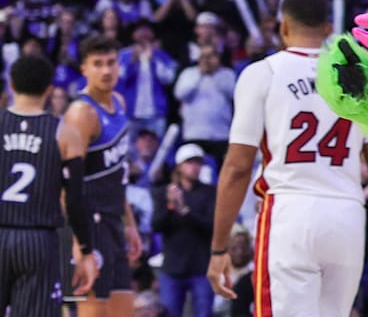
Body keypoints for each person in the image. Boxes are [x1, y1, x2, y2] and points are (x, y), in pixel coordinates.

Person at [207, 0, 368, 316]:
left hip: (290, 212)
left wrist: (218, 248)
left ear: (283, 27)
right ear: (328, 28)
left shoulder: (263, 74)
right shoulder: (360, 78)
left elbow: (237, 168)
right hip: (346, 216)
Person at [0, 55, 99, 316]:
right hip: (38, 241)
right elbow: (76, 199)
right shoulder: (65, 133)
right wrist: (86, 250)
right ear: (48, 89)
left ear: (11, 85)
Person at [64, 35, 144, 317]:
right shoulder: (81, 113)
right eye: (97, 64)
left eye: (111, 63)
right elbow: (65, 185)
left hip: (113, 222)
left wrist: (130, 223)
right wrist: (77, 243)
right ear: (84, 68)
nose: (106, 70)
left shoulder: (120, 102)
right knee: (94, 313)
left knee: (123, 311)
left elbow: (118, 174)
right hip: (89, 225)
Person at [152, 143, 216, 317]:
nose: (194, 167)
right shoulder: (164, 193)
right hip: (173, 268)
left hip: (201, 267)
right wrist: (171, 206)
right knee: (169, 314)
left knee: (204, 314)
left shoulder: (210, 193)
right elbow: (157, 225)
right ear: (180, 166)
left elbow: (212, 226)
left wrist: (185, 212)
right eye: (190, 163)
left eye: (198, 163)